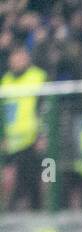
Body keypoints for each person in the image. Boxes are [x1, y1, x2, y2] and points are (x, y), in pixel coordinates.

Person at [1, 48, 47, 211]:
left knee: (41, 179)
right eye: (14, 57)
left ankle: (41, 213)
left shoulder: (39, 76)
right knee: (11, 183)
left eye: (21, 56)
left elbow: (46, 108)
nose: (17, 60)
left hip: (33, 139)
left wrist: (42, 135)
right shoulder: (5, 80)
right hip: (12, 141)